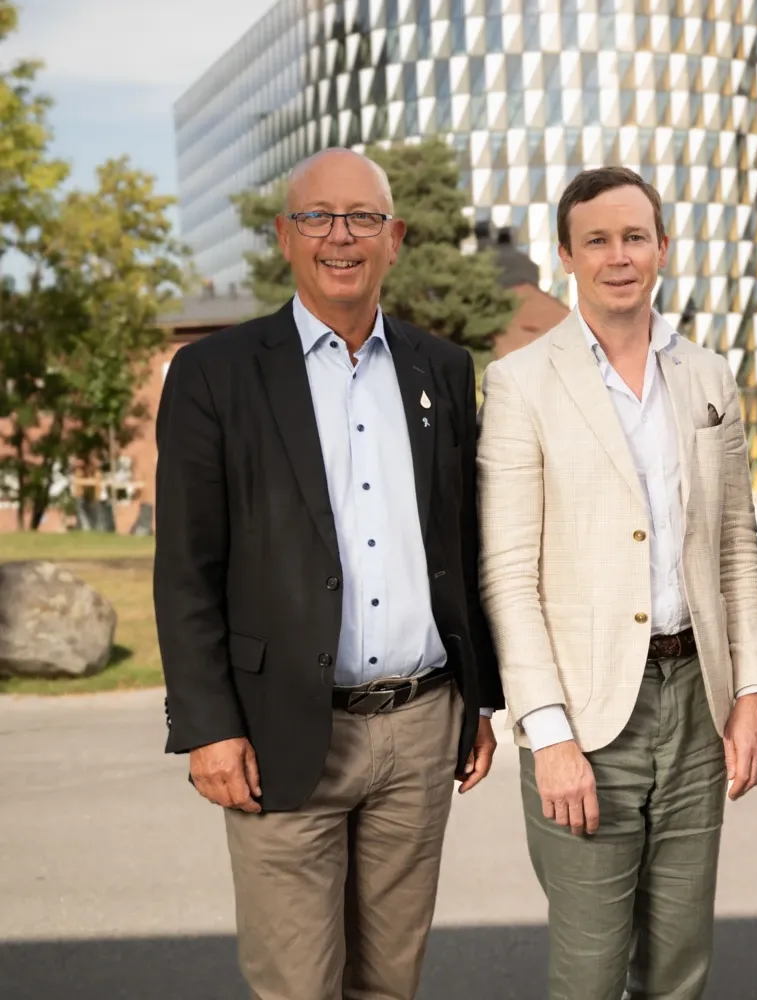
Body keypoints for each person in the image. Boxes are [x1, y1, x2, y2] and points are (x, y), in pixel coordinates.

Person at [153, 147, 501, 1000]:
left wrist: (478, 700)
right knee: (299, 986)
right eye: (317, 217)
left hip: (421, 728)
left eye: (363, 218)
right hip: (279, 732)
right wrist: (207, 725)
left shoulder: (443, 372)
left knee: (389, 983)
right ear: (284, 236)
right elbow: (187, 567)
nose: (339, 236)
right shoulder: (214, 374)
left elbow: (463, 544)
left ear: (395, 237)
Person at [476, 165, 757, 1000]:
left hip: (697, 701)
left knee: (680, 965)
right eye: (597, 240)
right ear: (567, 256)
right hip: (587, 713)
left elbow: (735, 550)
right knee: (590, 969)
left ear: (662, 250)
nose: (618, 256)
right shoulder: (520, 384)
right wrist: (547, 732)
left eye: (634, 237)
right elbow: (507, 574)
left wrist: (750, 691)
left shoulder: (709, 378)